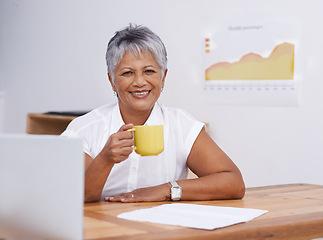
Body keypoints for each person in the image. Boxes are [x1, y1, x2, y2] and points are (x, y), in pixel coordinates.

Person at [61, 24, 245, 203]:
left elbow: (233, 183)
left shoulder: (180, 123)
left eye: (149, 71)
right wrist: (105, 159)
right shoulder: (83, 129)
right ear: (111, 80)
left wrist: (166, 190)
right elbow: (74, 197)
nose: (140, 82)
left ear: (163, 77)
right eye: (127, 73)